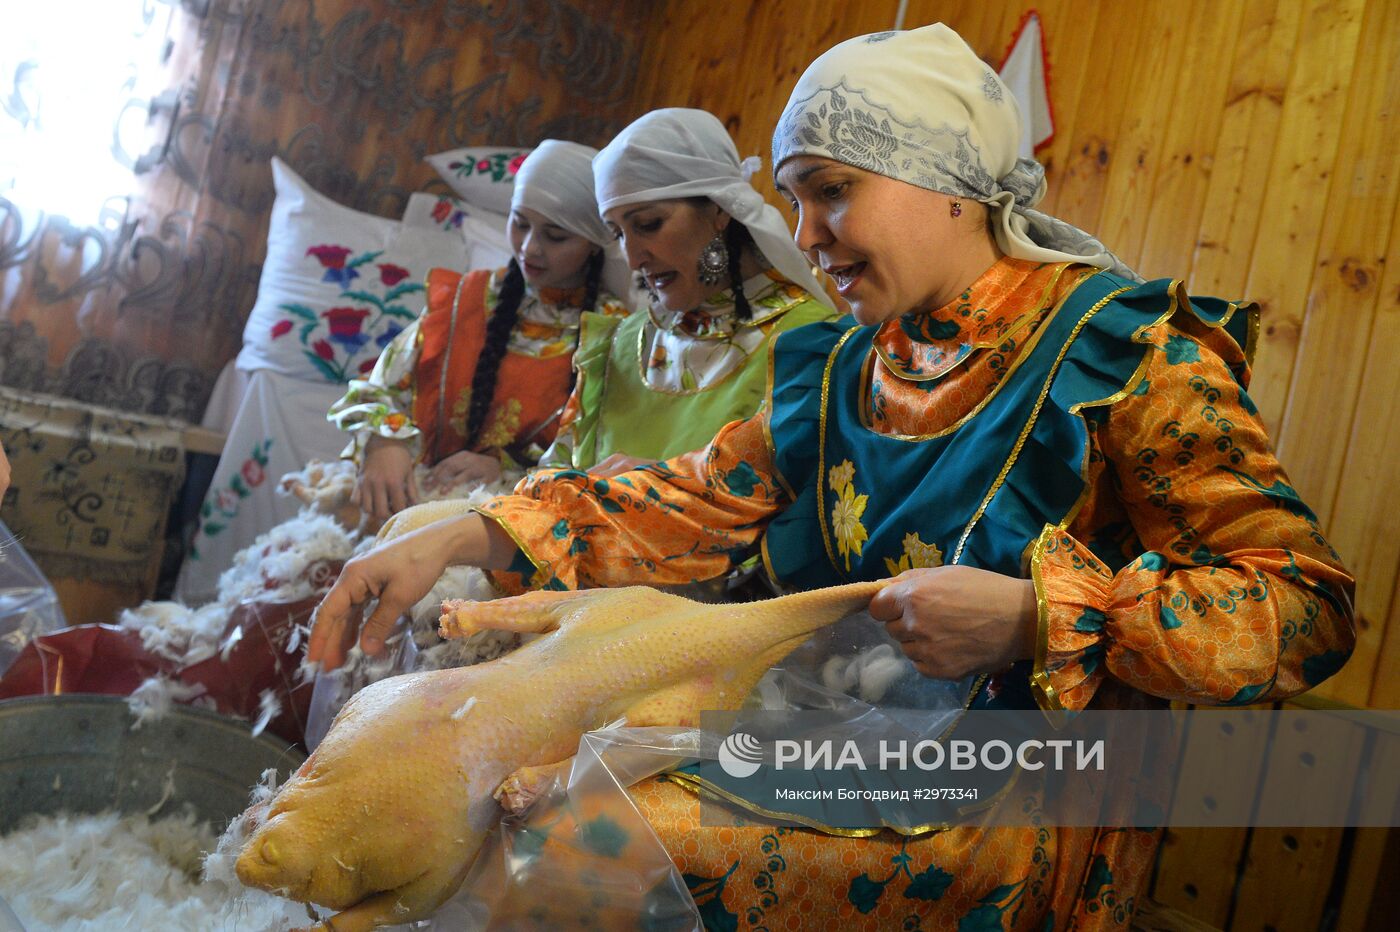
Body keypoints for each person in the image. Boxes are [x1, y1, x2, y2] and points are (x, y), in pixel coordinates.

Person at [307, 25, 1354, 927]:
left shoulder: (1125, 355)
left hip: (1009, 792)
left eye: (830, 193)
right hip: (829, 729)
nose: (805, 237)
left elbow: (1304, 608)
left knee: (598, 840)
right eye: (793, 201)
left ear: (948, 184)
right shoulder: (852, 364)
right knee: (517, 805)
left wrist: (1042, 616)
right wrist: (463, 531)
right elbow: (695, 497)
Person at [327, 140, 632, 524]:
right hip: (405, 505)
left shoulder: (613, 335)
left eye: (556, 236)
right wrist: (385, 440)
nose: (530, 248)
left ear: (594, 242)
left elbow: (597, 467)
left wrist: (505, 469)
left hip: (509, 525)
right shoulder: (466, 300)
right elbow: (376, 388)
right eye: (519, 222)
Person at [535, 108, 835, 476]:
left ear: (719, 210)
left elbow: (804, 503)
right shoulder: (619, 345)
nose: (633, 258)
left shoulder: (811, 342)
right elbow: (546, 483)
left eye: (648, 224)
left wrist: (665, 484)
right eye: (618, 234)